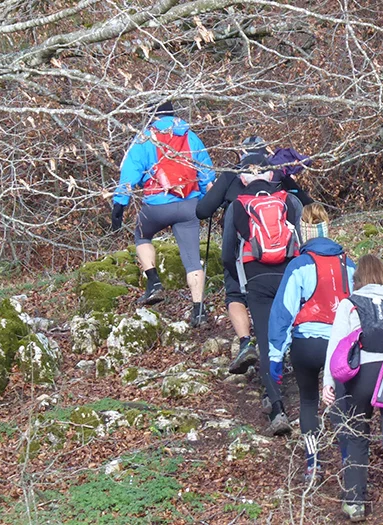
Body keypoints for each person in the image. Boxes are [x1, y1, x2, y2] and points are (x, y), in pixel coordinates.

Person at [197, 136, 313, 375]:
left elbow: (202, 210)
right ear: (266, 152)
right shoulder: (275, 172)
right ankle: (287, 346)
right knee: (282, 296)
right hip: (283, 253)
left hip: (243, 254)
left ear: (241, 154)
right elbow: (307, 205)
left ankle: (245, 343)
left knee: (235, 294)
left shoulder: (233, 174)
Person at [322, 255, 383, 524]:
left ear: (358, 278)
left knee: (356, 435)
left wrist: (328, 381)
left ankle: (355, 503)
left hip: (360, 374)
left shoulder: (349, 304)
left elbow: (336, 345)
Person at [268, 203, 355, 482]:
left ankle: (312, 463)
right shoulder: (348, 265)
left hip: (306, 344)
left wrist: (275, 356)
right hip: (339, 345)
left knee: (308, 400)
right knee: (341, 402)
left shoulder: (300, 265)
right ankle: (348, 463)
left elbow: (283, 312)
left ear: (303, 231)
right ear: (327, 228)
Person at [111, 102, 215, 325]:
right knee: (192, 260)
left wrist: (120, 203)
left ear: (152, 116)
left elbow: (130, 171)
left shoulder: (145, 138)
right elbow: (206, 173)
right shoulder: (189, 136)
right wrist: (211, 200)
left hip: (157, 206)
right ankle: (198, 311)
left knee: (142, 234)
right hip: (189, 206)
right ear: (173, 114)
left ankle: (154, 282)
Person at [223, 154, 304, 435]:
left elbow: (226, 254)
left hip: (256, 278)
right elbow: (302, 240)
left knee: (267, 341)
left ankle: (277, 408)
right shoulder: (288, 201)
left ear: (243, 178)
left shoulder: (237, 205)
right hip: (289, 274)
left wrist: (238, 278)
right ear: (271, 175)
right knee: (294, 331)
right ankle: (308, 399)